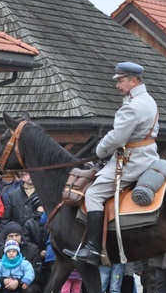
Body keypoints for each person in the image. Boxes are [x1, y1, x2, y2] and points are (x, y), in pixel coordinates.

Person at [63, 62, 158, 265]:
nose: (117, 85)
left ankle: (93, 249)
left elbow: (116, 138)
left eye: (121, 81)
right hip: (148, 155)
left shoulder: (133, 106)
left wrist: (99, 151)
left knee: (93, 194)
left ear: (133, 81)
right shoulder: (149, 100)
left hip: (133, 161)